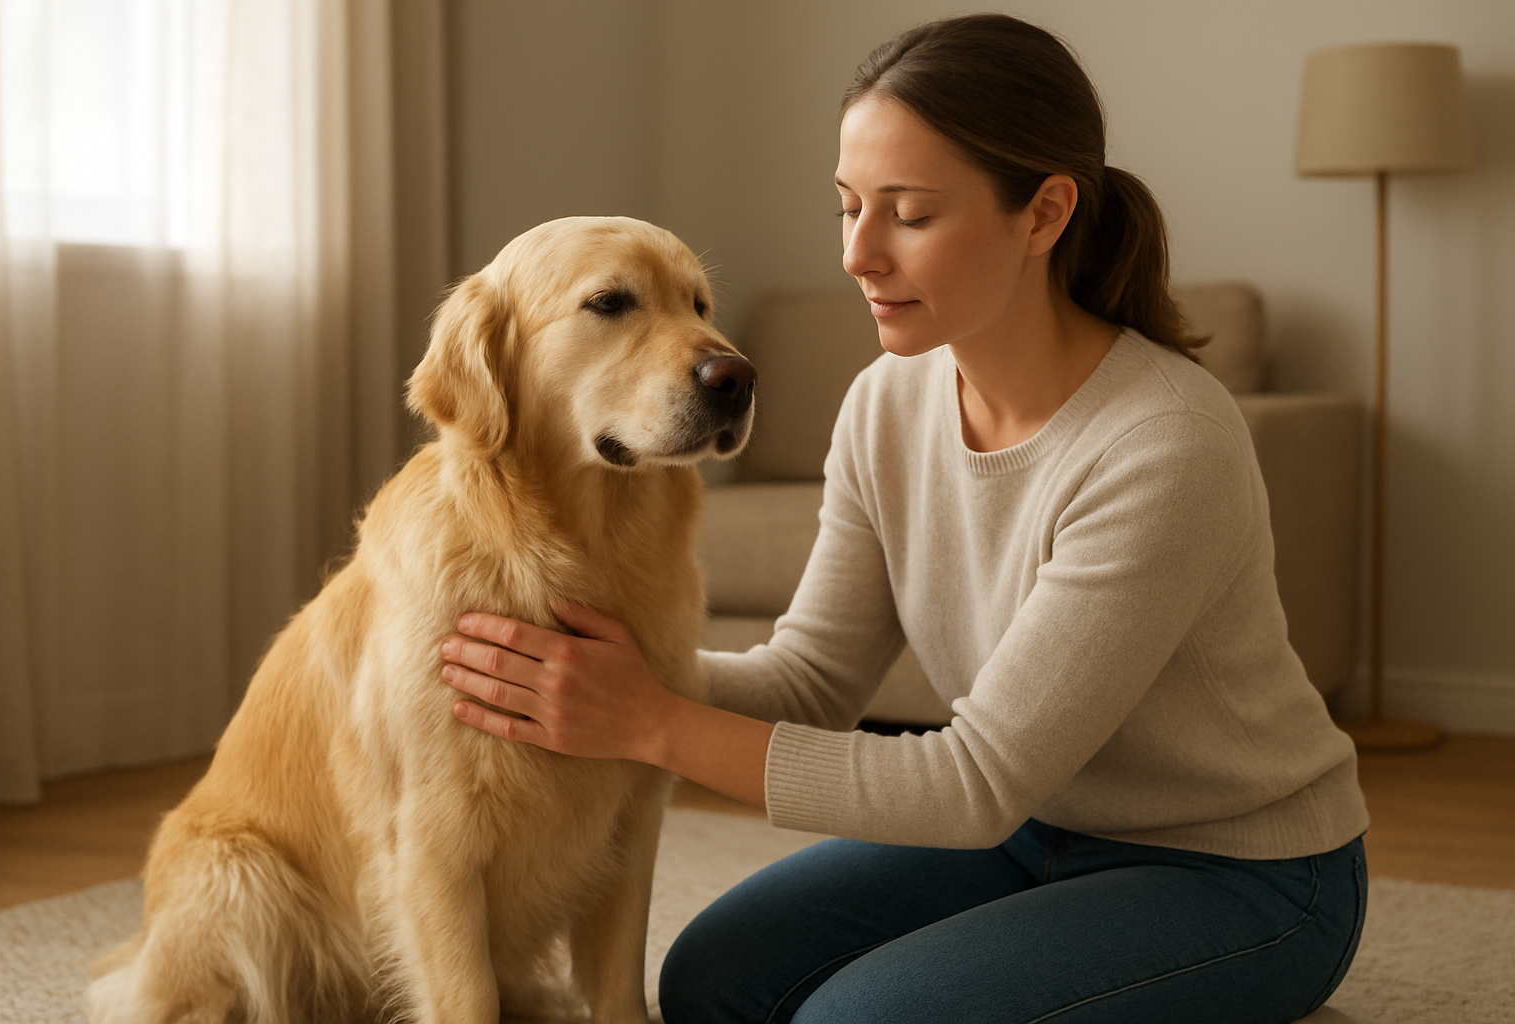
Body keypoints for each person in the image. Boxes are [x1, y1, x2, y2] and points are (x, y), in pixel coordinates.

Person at [437, 13, 1370, 1024]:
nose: (859, 254)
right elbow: (816, 680)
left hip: (1243, 870)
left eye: (910, 214)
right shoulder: (889, 400)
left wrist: (653, 722)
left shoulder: (1164, 442)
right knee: (712, 984)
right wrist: (602, 677)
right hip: (1031, 831)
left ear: (1044, 213)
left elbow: (967, 783)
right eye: (848, 208)